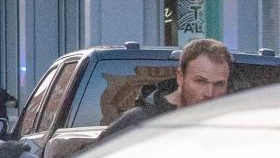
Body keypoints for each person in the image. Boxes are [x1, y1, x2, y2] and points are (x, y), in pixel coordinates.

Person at [98, 38, 231, 142]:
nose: (210, 93)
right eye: (200, 81)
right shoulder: (138, 122)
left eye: (219, 84)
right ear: (180, 77)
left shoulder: (235, 128)